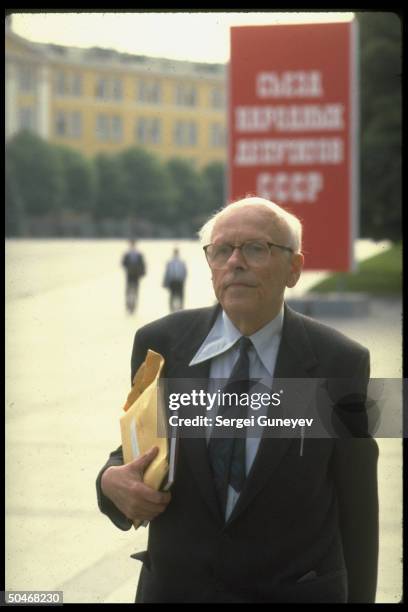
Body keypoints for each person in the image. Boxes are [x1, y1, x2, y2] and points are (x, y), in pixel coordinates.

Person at [97, 197, 379, 603]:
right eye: (221, 250)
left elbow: (358, 509)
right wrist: (109, 482)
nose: (235, 262)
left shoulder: (341, 361)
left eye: (255, 248)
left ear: (294, 269)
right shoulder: (161, 344)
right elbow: (134, 452)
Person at [121, 239, 146, 314]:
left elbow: (142, 265)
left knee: (134, 291)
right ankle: (129, 306)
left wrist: (141, 273)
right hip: (129, 275)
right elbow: (123, 263)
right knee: (129, 291)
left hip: (135, 276)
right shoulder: (127, 254)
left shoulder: (138, 254)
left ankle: (133, 307)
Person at [162, 247, 187, 312]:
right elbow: (167, 273)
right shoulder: (170, 262)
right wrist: (166, 283)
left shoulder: (181, 262)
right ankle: (172, 310)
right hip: (173, 282)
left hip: (179, 281)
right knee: (172, 296)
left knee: (180, 296)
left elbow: (184, 272)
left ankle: (180, 310)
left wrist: (183, 280)